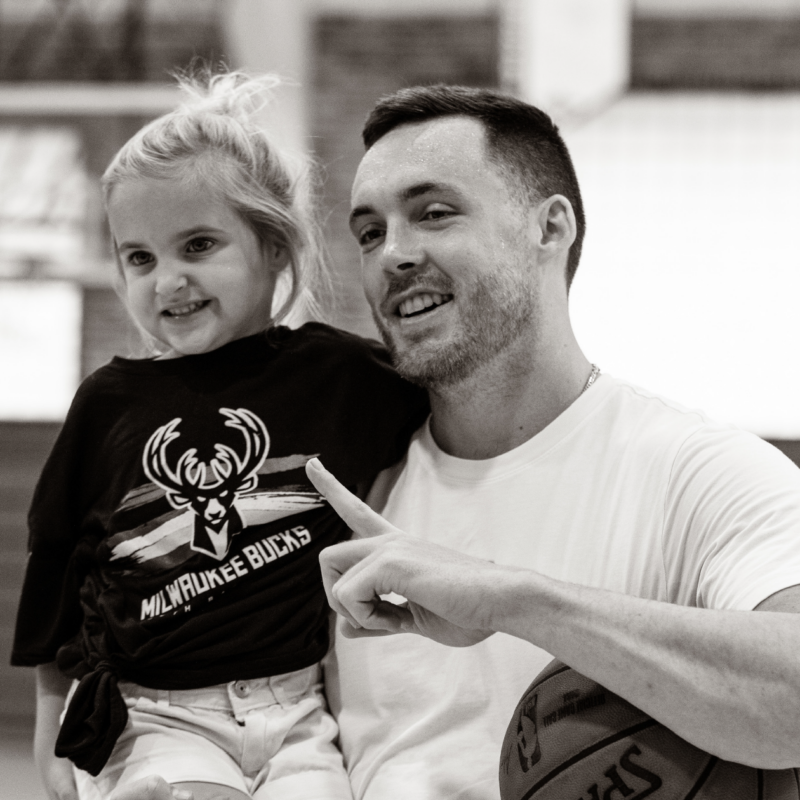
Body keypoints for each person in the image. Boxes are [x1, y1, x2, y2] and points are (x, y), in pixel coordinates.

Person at [296, 85, 800, 800]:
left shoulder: (700, 469)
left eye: (434, 214)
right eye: (370, 232)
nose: (394, 255)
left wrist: (515, 601)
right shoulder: (349, 490)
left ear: (549, 226)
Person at [10, 71, 426, 800]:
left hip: (298, 715)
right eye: (139, 257)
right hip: (153, 715)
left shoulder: (345, 376)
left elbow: (460, 407)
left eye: (197, 246)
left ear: (274, 246)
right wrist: (52, 729)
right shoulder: (108, 403)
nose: (167, 281)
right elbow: (56, 566)